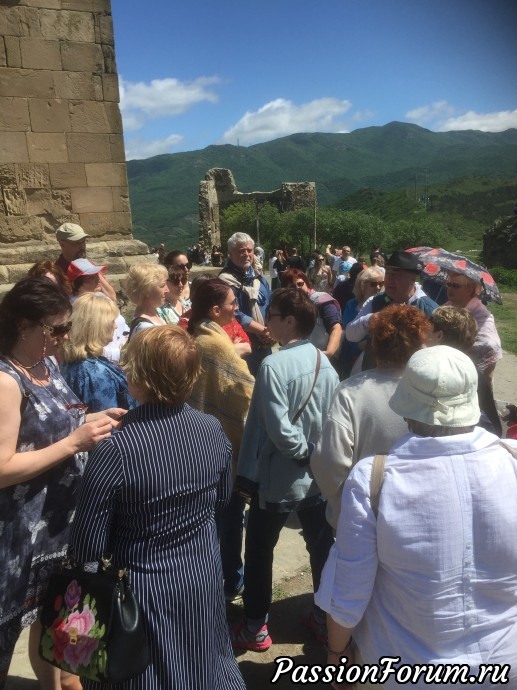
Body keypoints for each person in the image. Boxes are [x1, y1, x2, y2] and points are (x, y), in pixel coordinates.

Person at [316, 346, 517, 689]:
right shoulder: (512, 463)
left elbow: (350, 588)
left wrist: (337, 655)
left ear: (408, 409)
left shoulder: (374, 478)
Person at [69, 326, 246, 690]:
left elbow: (86, 545)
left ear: (139, 376)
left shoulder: (116, 448)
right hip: (200, 574)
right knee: (201, 665)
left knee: (148, 675)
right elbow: (221, 502)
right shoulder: (211, 429)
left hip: (141, 590)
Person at [0, 278, 121, 690]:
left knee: (73, 648)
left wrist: (93, 421)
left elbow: (55, 426)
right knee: (10, 636)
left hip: (65, 529)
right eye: (56, 330)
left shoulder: (45, 363)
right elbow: (2, 467)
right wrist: (74, 442)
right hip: (21, 539)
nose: (65, 338)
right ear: (21, 325)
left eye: (67, 328)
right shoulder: (5, 380)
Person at [232, 288, 338, 652]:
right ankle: (324, 618)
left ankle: (255, 626)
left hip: (277, 479)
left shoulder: (272, 366)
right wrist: (316, 456)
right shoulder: (325, 362)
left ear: (289, 321)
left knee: (260, 550)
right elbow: (332, 418)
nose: (267, 322)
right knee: (321, 549)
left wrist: (301, 452)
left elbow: (277, 429)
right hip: (316, 478)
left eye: (273, 316)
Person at [311, 303, 430, 530]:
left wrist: (339, 499)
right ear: (420, 344)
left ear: (375, 343)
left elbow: (330, 460)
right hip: (417, 513)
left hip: (362, 515)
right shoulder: (429, 388)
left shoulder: (351, 391)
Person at [187, 279, 254, 601]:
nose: (237, 308)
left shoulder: (199, 335)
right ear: (216, 310)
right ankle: (229, 583)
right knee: (227, 523)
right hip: (222, 449)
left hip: (198, 446)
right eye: (232, 303)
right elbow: (244, 391)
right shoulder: (216, 345)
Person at [345, 250, 438, 370]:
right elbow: (350, 335)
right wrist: (370, 319)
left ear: (412, 279)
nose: (389, 279)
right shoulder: (376, 301)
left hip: (409, 383)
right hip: (374, 378)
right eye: (388, 273)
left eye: (397, 275)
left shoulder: (428, 309)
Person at [427, 305, 502, 436]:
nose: (424, 330)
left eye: (429, 324)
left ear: (439, 335)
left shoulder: (434, 372)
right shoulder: (471, 370)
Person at [61, 293, 136, 413]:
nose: (116, 326)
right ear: (98, 326)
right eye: (112, 321)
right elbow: (109, 421)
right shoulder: (95, 372)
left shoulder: (74, 361)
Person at [219, 232, 274, 375]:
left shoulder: (258, 277)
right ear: (230, 253)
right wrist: (264, 331)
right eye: (241, 251)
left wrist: (272, 329)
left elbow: (271, 303)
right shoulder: (225, 281)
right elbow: (233, 314)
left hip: (266, 342)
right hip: (244, 346)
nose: (246, 254)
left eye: (249, 250)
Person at [67, 258, 129, 363]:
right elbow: (86, 346)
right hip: (109, 361)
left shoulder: (99, 296)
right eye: (89, 278)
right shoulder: (76, 309)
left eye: (96, 275)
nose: (97, 280)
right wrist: (120, 353)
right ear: (75, 284)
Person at [446, 270, 502, 382]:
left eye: (455, 286)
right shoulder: (450, 304)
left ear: (470, 289)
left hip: (475, 376)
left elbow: (490, 344)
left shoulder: (480, 313)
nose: (450, 289)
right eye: (449, 284)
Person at [280, 269, 342, 361]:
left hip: (324, 357)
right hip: (300, 358)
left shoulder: (322, 300)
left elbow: (336, 328)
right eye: (292, 287)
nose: (298, 288)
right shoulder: (289, 307)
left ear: (307, 283)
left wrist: (329, 352)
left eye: (300, 284)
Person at [340, 266, 385, 378]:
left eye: (381, 283)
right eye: (373, 284)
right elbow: (347, 328)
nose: (378, 287)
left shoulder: (383, 303)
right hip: (351, 350)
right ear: (362, 284)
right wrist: (359, 345)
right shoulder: (352, 304)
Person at [54, 222, 116, 302]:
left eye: (83, 241)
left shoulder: (89, 265)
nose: (81, 246)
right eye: (76, 243)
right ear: (62, 243)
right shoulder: (56, 273)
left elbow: (112, 297)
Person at [124, 263, 169, 339]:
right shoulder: (145, 328)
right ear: (146, 290)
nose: (167, 290)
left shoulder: (155, 315)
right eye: (162, 286)